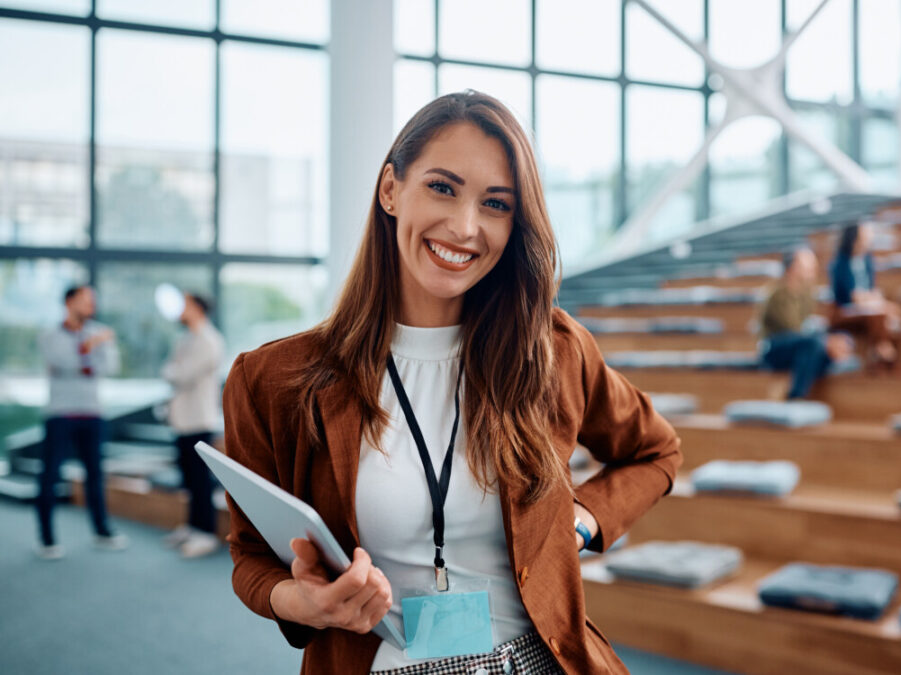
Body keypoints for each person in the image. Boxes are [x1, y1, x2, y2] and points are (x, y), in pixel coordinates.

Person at [222, 91, 682, 674]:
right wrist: (305, 603)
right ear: (391, 189)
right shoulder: (273, 381)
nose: (465, 227)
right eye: (442, 187)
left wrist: (582, 518)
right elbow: (252, 559)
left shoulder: (553, 351)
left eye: (495, 204)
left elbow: (657, 450)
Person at [35, 285, 128, 560]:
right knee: (50, 475)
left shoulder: (99, 332)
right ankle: (47, 538)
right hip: (60, 414)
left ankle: (101, 531)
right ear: (69, 302)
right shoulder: (50, 336)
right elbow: (62, 361)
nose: (91, 306)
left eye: (93, 301)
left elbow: (109, 367)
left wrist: (87, 355)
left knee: (95, 476)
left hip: (93, 414)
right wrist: (91, 347)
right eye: (86, 301)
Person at [160, 292, 226, 558]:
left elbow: (179, 374)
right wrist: (173, 371)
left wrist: (172, 370)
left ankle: (205, 534)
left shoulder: (210, 340)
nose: (180, 309)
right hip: (181, 420)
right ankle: (192, 526)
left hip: (199, 419)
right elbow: (172, 372)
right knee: (188, 477)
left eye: (185, 304)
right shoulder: (185, 339)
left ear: (198, 308)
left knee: (200, 480)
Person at [760, 248, 853, 399]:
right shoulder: (777, 294)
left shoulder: (807, 294)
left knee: (838, 341)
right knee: (815, 344)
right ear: (793, 268)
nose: (812, 269)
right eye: (807, 265)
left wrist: (830, 341)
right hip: (774, 348)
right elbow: (793, 329)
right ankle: (795, 396)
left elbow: (807, 326)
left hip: (800, 346)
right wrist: (826, 342)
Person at [829, 222, 901, 369]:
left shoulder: (867, 260)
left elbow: (872, 290)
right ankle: (884, 352)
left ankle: (880, 352)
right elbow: (854, 297)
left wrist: (881, 304)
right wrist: (878, 304)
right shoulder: (840, 264)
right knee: (878, 315)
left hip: (866, 308)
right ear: (855, 239)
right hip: (844, 311)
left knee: (883, 314)